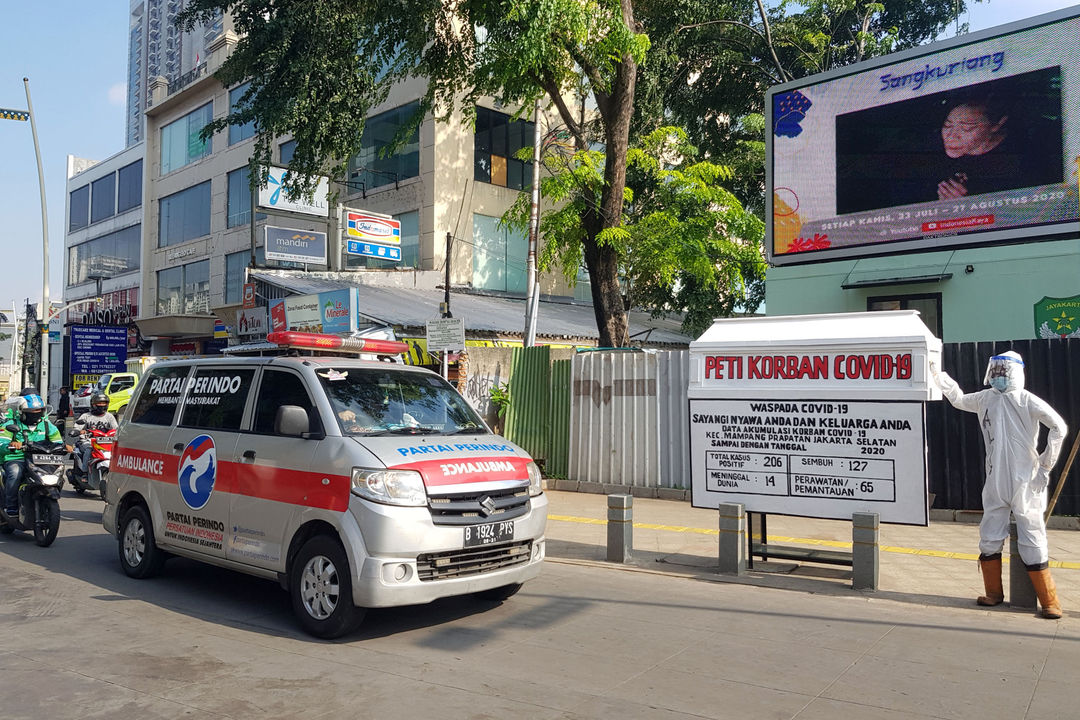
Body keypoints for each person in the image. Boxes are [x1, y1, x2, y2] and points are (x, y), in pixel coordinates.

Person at [931, 352, 1067, 618]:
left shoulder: (1027, 400)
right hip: (995, 477)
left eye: (1004, 371)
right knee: (990, 532)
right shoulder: (986, 398)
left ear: (1015, 373)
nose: (999, 376)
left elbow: (1059, 427)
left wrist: (1045, 465)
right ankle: (993, 593)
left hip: (1026, 479)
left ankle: (1050, 601)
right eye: (996, 371)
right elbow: (958, 400)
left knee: (1032, 533)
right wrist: (939, 376)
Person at [934, 93, 1024, 200]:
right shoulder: (930, 150)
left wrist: (973, 206)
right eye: (947, 125)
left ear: (997, 124)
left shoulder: (1022, 162)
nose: (951, 136)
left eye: (967, 128)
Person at [0, 393, 63, 517]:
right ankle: (11, 507)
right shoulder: (10, 425)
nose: (36, 413)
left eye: (39, 410)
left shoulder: (46, 425)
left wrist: (64, 447)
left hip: (40, 459)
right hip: (17, 458)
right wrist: (11, 445)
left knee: (57, 473)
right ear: (22, 411)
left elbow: (58, 442)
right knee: (15, 473)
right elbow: (1, 443)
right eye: (32, 411)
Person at [72, 392, 119, 481]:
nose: (101, 405)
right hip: (88, 441)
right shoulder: (86, 416)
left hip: (105, 442)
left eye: (104, 403)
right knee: (89, 449)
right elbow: (77, 427)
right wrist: (79, 431)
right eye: (99, 403)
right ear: (93, 404)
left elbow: (116, 429)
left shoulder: (110, 417)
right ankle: (85, 473)